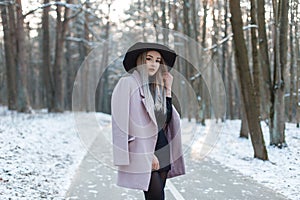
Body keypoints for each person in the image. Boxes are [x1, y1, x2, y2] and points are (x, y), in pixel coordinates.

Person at [111, 42, 185, 200]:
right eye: (149, 59)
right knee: (155, 196)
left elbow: (166, 118)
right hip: (144, 149)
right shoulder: (128, 83)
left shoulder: (157, 87)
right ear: (140, 60)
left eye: (158, 60)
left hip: (163, 147)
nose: (154, 63)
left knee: (158, 196)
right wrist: (148, 154)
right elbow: (121, 122)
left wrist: (168, 89)